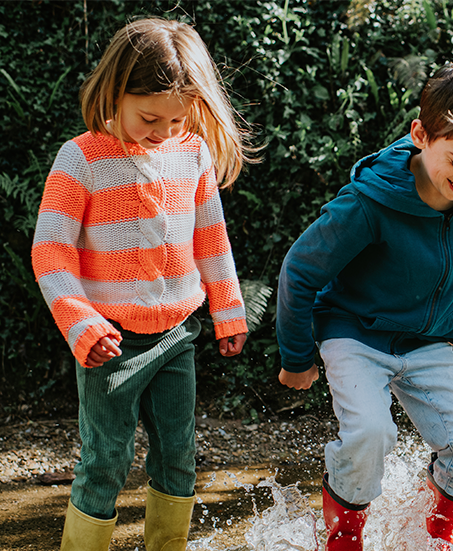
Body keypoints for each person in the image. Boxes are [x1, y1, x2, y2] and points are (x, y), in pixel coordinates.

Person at [275, 63, 453, 550]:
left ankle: (438, 535)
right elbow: (299, 271)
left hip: (428, 341)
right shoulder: (369, 203)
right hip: (355, 332)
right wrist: (296, 357)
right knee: (370, 434)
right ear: (420, 135)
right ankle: (343, 536)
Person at [31, 18, 256, 551]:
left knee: (179, 453)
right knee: (105, 459)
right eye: (149, 116)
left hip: (178, 333)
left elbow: (210, 237)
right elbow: (50, 250)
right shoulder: (81, 158)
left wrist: (227, 308)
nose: (162, 131)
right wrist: (80, 321)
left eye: (177, 119)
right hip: (108, 342)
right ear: (115, 90)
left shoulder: (193, 153)